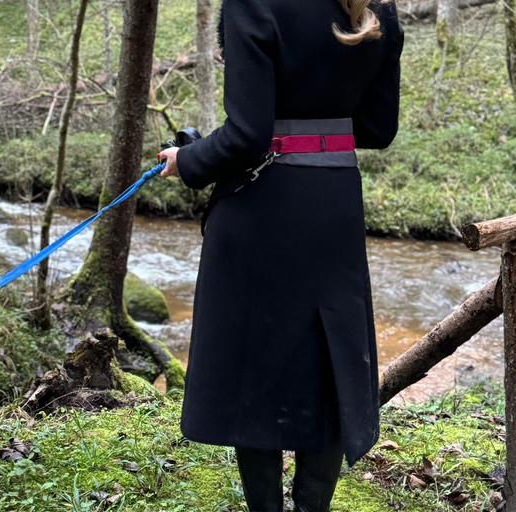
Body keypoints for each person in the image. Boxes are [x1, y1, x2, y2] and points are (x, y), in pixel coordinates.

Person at [157, 0, 403, 511]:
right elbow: (378, 130)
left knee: (256, 364)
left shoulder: (255, 3)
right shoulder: (378, 8)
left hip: (261, 207)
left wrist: (188, 160)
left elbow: (247, 135)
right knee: (328, 362)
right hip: (334, 204)